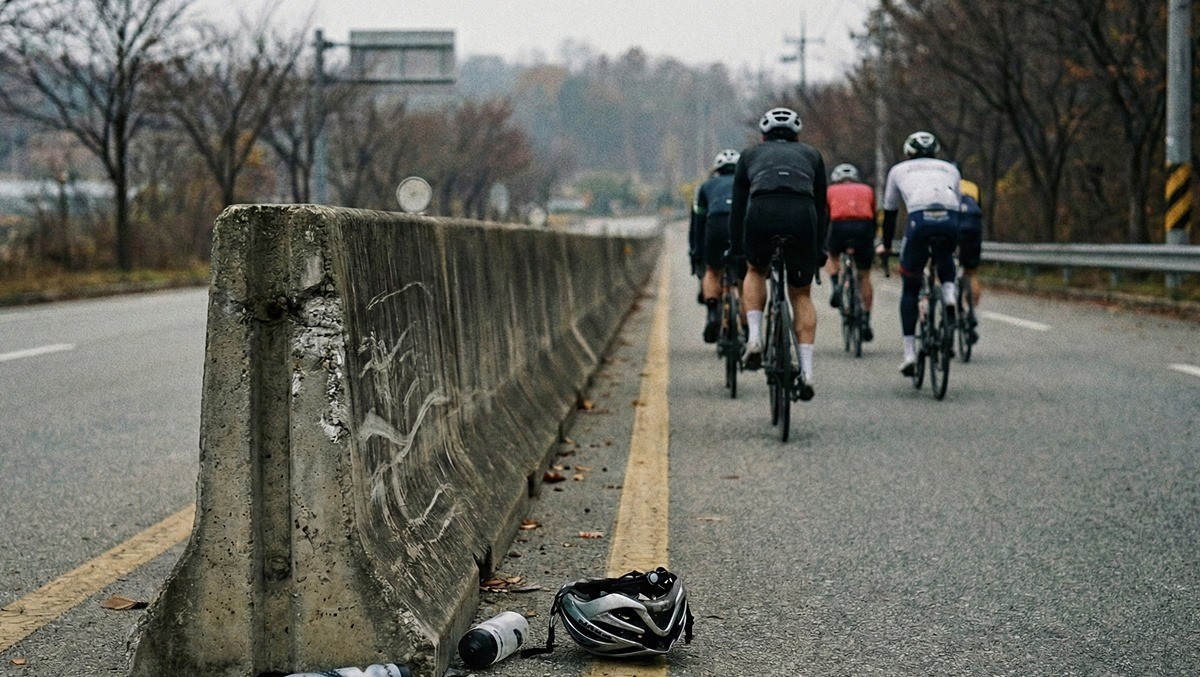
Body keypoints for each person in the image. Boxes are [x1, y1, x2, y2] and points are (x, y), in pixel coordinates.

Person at [727, 107, 828, 401]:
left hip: (763, 212)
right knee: (801, 294)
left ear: (763, 136)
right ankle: (807, 372)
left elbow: (738, 208)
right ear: (797, 137)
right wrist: (819, 248)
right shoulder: (812, 155)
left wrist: (736, 248)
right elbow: (822, 207)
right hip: (802, 216)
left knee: (756, 270)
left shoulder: (749, 155)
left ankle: (755, 338)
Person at [879, 131, 961, 376]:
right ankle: (949, 294)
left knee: (910, 287)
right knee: (944, 254)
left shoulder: (898, 170)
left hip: (919, 220)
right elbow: (956, 202)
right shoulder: (951, 169)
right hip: (950, 218)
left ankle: (909, 354)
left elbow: (890, 212)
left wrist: (886, 246)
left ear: (908, 153)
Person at [824, 162, 878, 341]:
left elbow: (826, 216)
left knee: (832, 255)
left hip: (839, 227)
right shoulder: (867, 190)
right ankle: (866, 320)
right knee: (864, 275)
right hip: (863, 228)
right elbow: (873, 215)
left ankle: (836, 286)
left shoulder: (830, 190)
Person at [693, 149, 741, 342]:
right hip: (739, 224)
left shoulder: (706, 186)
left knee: (712, 270)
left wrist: (698, 252)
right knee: (747, 276)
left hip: (716, 224)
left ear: (717, 170)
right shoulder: (747, 183)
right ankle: (748, 327)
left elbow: (699, 222)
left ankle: (713, 314)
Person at [957, 176, 983, 343]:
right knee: (971, 272)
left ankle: (948, 305)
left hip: (953, 225)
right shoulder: (972, 186)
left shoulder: (941, 184)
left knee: (939, 264)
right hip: (972, 227)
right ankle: (971, 312)